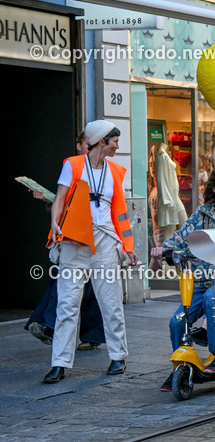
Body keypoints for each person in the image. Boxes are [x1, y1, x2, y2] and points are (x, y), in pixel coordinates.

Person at [44, 120, 138, 383]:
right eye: (115, 141)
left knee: (110, 300)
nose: (118, 146)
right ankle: (59, 363)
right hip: (74, 240)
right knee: (67, 304)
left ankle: (118, 355)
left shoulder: (116, 171)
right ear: (100, 142)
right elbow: (60, 199)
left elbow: (120, 212)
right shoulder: (72, 165)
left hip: (105, 240)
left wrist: (127, 247)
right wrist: (54, 223)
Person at [152, 166, 215, 389]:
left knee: (213, 299)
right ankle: (181, 364)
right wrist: (163, 248)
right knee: (177, 322)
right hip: (200, 280)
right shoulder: (202, 213)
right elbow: (182, 237)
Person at [27, 130, 105, 351]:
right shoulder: (73, 166)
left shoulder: (98, 168)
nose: (89, 148)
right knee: (73, 283)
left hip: (92, 234)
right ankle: (53, 326)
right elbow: (66, 202)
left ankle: (49, 325)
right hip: (73, 235)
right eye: (86, 144)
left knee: (85, 285)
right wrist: (49, 202)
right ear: (79, 145)